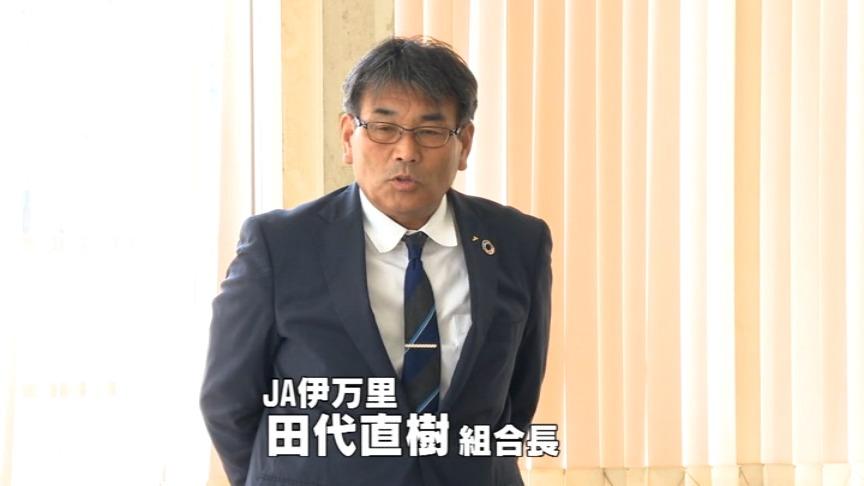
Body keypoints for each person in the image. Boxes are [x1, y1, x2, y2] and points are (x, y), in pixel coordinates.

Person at [200, 36, 552, 486]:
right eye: (384, 128)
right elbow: (229, 401)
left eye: (430, 131)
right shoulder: (280, 246)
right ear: (349, 137)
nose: (406, 152)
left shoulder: (518, 242)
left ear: (463, 144)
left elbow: (518, 397)